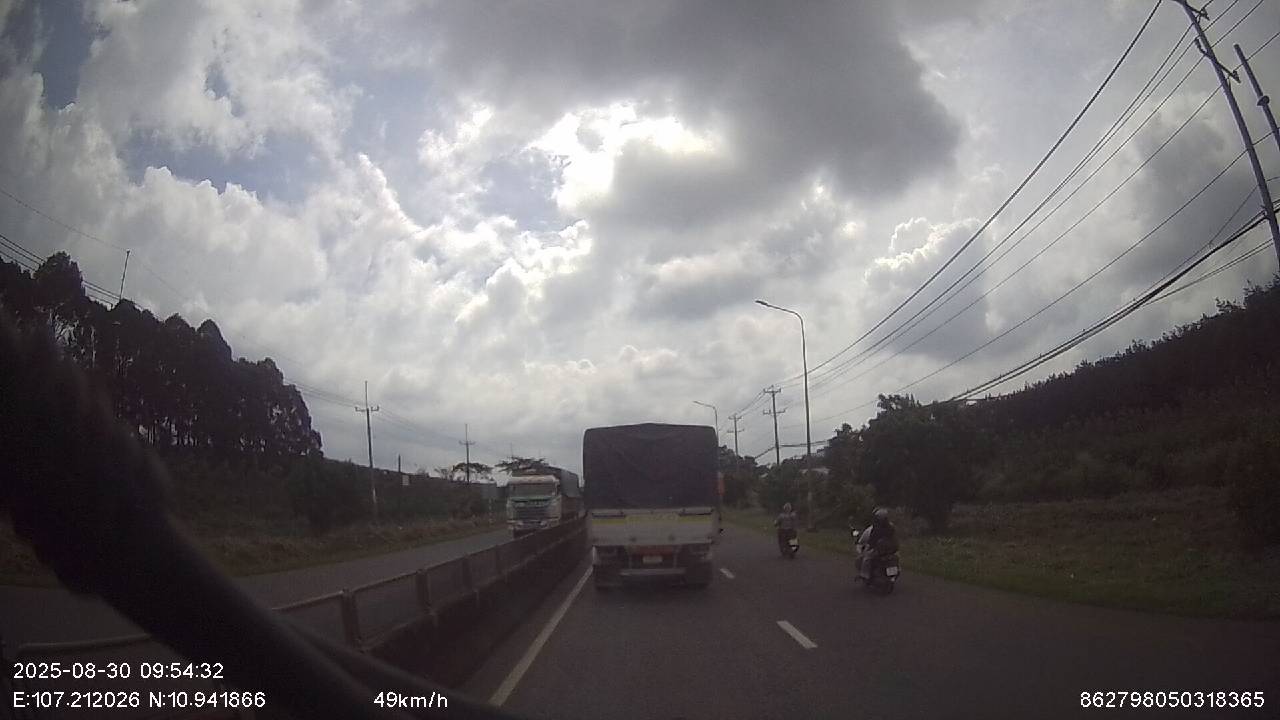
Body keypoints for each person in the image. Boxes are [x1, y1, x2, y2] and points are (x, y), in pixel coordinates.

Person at [856, 507, 898, 580]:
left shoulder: (876, 528)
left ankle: (865, 575)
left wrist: (869, 547)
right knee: (896, 557)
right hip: (891, 549)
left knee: (866, 558)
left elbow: (872, 539)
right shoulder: (891, 527)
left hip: (881, 550)